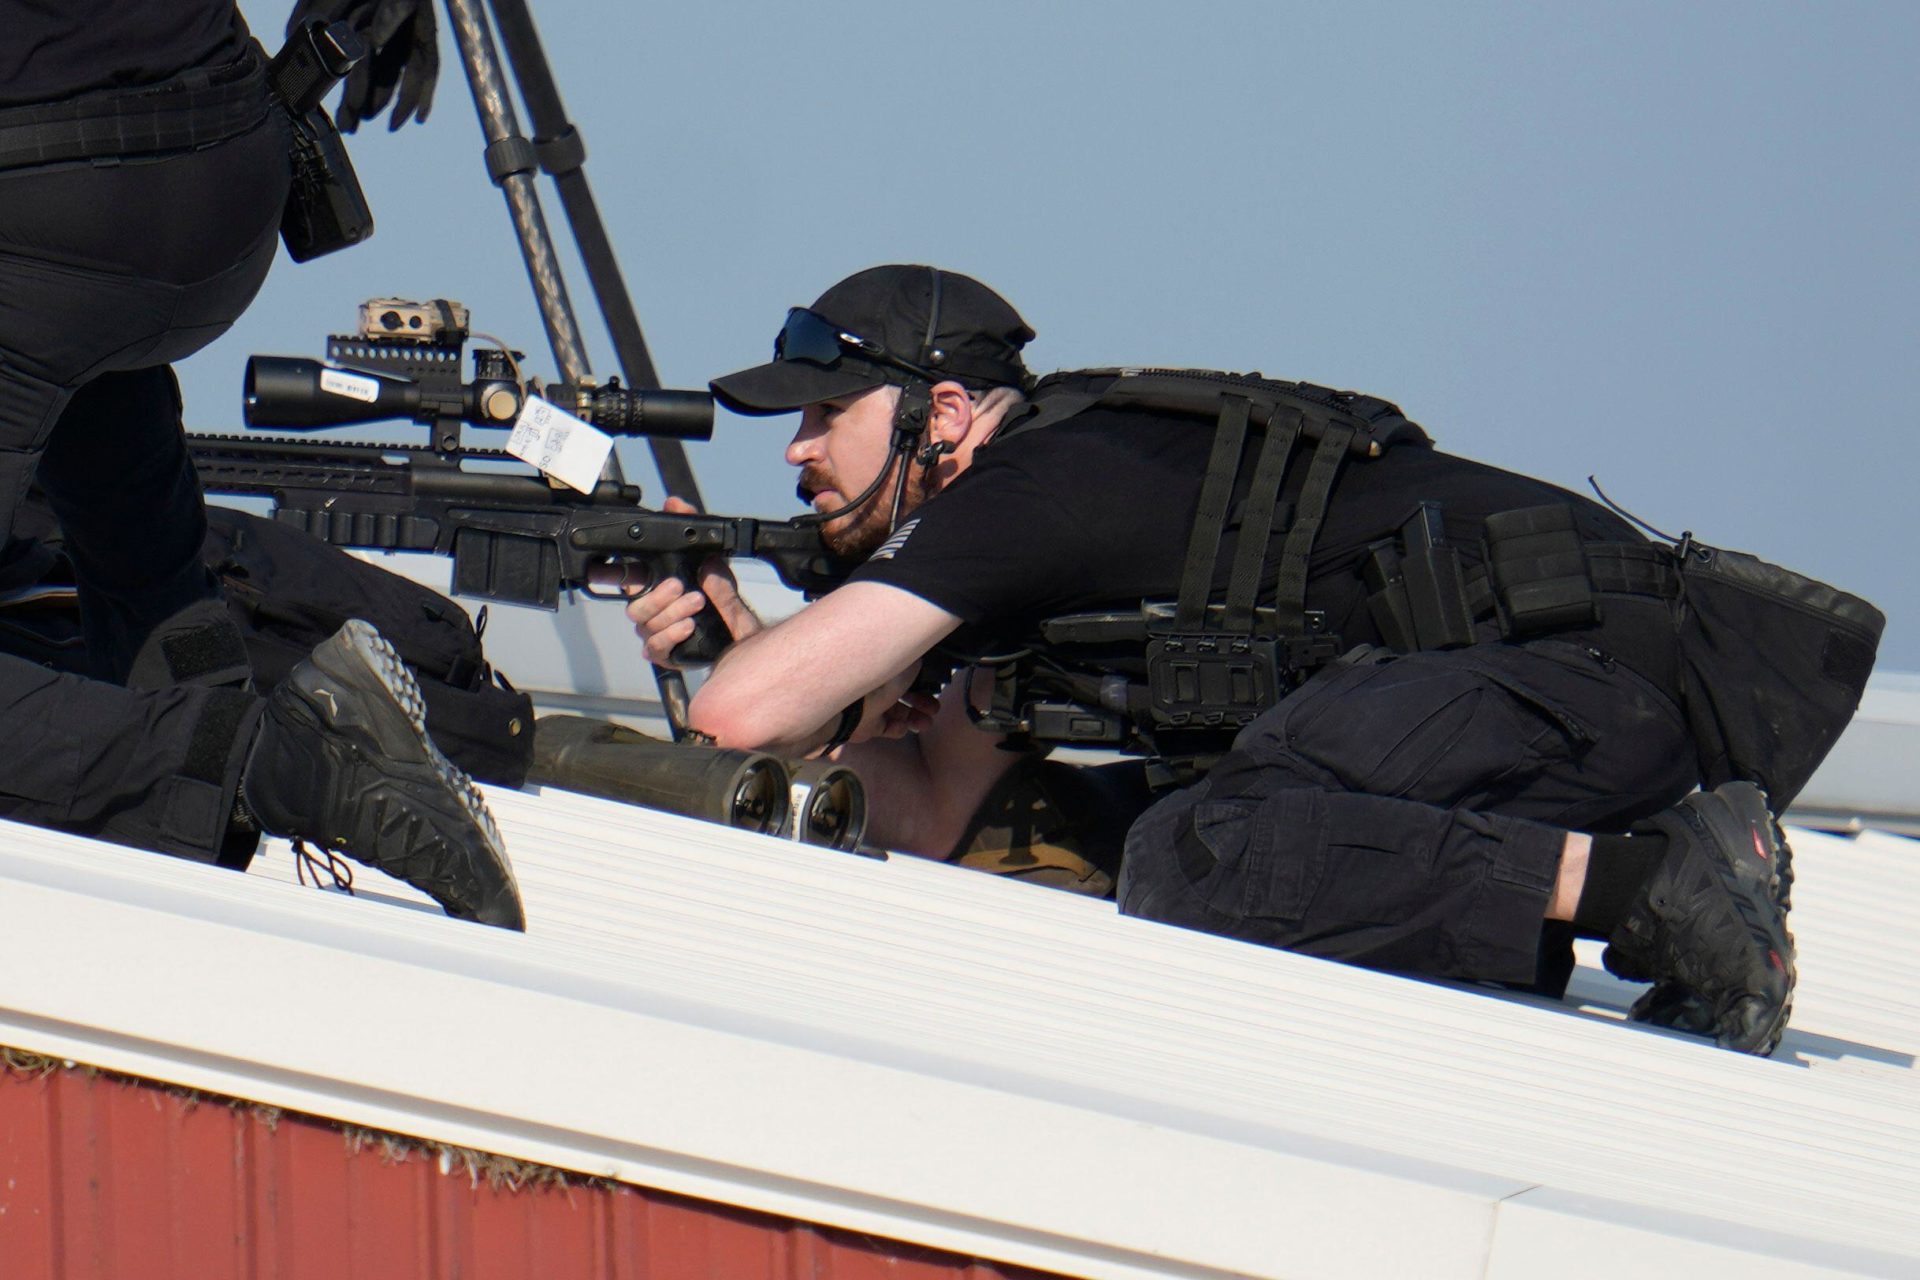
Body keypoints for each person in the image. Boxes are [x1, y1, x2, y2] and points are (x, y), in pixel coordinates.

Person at [625, 263, 1798, 1053]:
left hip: (1578, 664)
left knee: (1203, 852)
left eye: (827, 414)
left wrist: (765, 677)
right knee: (1113, 832)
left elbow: (734, 720)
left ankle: (1661, 887)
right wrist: (771, 659)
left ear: (941, 411)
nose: (796, 452)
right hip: (1529, 693)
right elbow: (939, 810)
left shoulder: (1026, 492)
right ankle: (1611, 898)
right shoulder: (1037, 514)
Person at [0, 0, 521, 927]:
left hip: (49, 198)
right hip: (220, 169)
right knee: (141, 559)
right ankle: (205, 696)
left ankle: (271, 761)